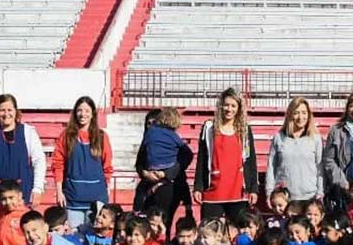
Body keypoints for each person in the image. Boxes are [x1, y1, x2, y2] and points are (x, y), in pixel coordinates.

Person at [194, 88, 258, 222]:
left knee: (239, 237)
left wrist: (253, 189)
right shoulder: (209, 128)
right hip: (213, 192)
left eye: (233, 106)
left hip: (238, 193)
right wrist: (198, 187)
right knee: (209, 235)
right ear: (220, 106)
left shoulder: (245, 130)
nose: (229, 109)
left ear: (239, 108)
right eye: (226, 105)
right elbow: (202, 159)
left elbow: (251, 161)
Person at [52, 96, 114, 230]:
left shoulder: (102, 136)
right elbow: (58, 164)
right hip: (73, 197)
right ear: (75, 113)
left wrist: (107, 187)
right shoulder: (66, 136)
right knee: (75, 237)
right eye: (79, 110)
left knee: (94, 237)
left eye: (86, 110)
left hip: (96, 197)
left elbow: (107, 165)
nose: (83, 114)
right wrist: (59, 191)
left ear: (92, 113)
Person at [0, 94, 47, 207]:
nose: (6, 114)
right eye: (2, 110)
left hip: (22, 195)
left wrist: (38, 189)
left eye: (9, 110)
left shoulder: (28, 132)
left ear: (15, 111)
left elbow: (39, 161)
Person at [265, 96, 325, 210]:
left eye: (304, 113)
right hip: (285, 198)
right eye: (296, 113)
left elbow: (320, 167)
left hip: (309, 197)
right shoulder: (279, 137)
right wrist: (269, 193)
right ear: (290, 114)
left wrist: (320, 192)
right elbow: (271, 168)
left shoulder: (315, 138)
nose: (300, 117)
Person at [133, 106, 191, 218]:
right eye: (148, 123)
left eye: (153, 122)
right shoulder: (166, 138)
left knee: (163, 218)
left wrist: (166, 174)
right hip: (149, 181)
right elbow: (139, 163)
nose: (150, 126)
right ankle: (138, 212)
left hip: (169, 185)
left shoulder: (170, 141)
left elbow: (185, 159)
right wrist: (145, 173)